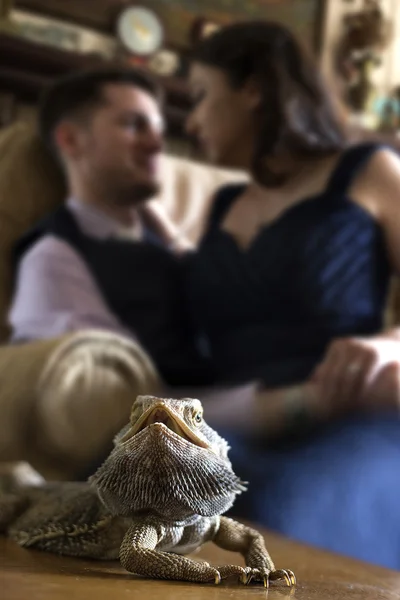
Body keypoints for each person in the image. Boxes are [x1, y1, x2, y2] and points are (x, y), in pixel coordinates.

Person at [176, 21, 400, 568]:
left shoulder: (368, 171)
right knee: (119, 480)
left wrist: (391, 346)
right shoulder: (224, 204)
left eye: (202, 96)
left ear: (252, 90)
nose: (191, 120)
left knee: (270, 512)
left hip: (350, 411)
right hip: (245, 415)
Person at [8, 67, 212, 388]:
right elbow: (117, 398)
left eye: (159, 128)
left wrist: (164, 228)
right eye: (134, 125)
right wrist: (281, 407)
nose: (157, 144)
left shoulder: (158, 241)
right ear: (71, 140)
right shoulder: (51, 258)